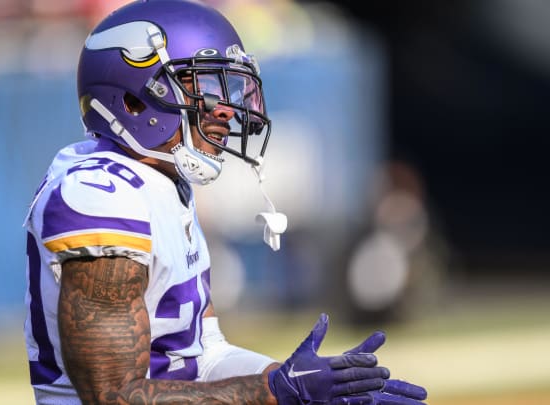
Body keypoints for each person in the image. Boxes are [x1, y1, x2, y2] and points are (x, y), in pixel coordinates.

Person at [23, 1, 428, 404]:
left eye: (226, 88)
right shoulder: (101, 195)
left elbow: (204, 355)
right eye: (201, 88)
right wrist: (274, 392)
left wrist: (304, 383)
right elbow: (115, 397)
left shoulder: (162, 184)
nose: (224, 111)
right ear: (133, 101)